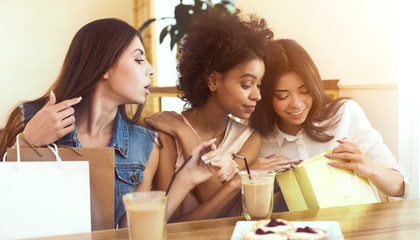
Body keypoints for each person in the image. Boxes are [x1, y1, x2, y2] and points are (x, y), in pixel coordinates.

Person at [0, 18, 222, 228]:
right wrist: (28, 142)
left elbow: (132, 231)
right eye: (138, 59)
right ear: (104, 65)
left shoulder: (144, 144)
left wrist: (186, 178)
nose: (151, 69)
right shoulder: (29, 119)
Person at [144, 10, 274, 222]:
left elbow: (225, 208)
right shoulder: (166, 134)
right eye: (247, 84)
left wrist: (186, 134)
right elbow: (170, 221)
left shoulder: (250, 139)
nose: (257, 95)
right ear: (213, 81)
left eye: (259, 85)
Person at [249, 39, 410, 209]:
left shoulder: (345, 113)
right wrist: (253, 178)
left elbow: (401, 187)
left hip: (356, 229)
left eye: (305, 91)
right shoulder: (258, 140)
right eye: (282, 96)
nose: (296, 103)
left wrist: (368, 166)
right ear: (266, 97)